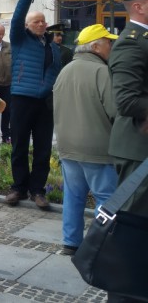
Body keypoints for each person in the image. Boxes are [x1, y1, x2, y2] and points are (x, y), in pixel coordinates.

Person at [53, 23, 119, 257]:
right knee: (106, 199)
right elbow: (114, 110)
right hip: (97, 147)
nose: (111, 46)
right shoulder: (102, 72)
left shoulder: (66, 70)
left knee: (73, 196)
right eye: (108, 42)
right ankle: (99, 245)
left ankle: (70, 243)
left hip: (68, 146)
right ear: (96, 46)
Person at [5, 0, 62, 210]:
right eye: (36, 21)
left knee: (43, 148)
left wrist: (50, 89)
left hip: (44, 102)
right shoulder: (19, 39)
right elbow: (18, 16)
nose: (41, 24)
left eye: (43, 21)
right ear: (28, 25)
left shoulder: (53, 47)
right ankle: (18, 187)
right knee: (19, 145)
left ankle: (37, 190)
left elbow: (56, 72)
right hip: (21, 98)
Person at [109, 0, 148, 216]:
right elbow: (126, 100)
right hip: (137, 148)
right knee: (135, 224)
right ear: (139, 7)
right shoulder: (131, 44)